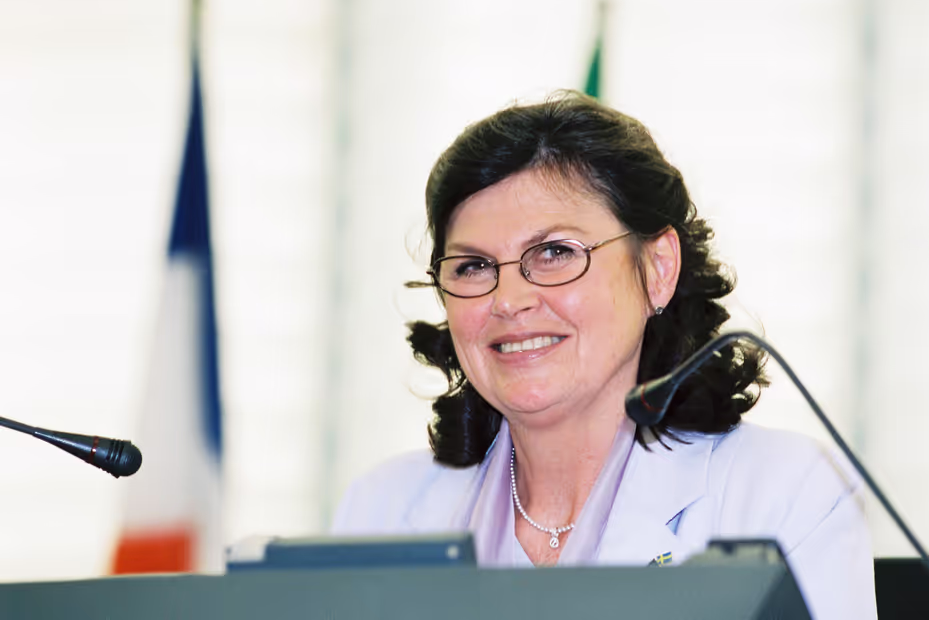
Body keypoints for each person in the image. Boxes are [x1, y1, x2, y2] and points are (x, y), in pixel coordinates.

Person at [332, 92, 876, 619]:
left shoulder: (785, 495)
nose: (509, 300)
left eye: (554, 252)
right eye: (473, 267)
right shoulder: (381, 513)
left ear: (658, 269)